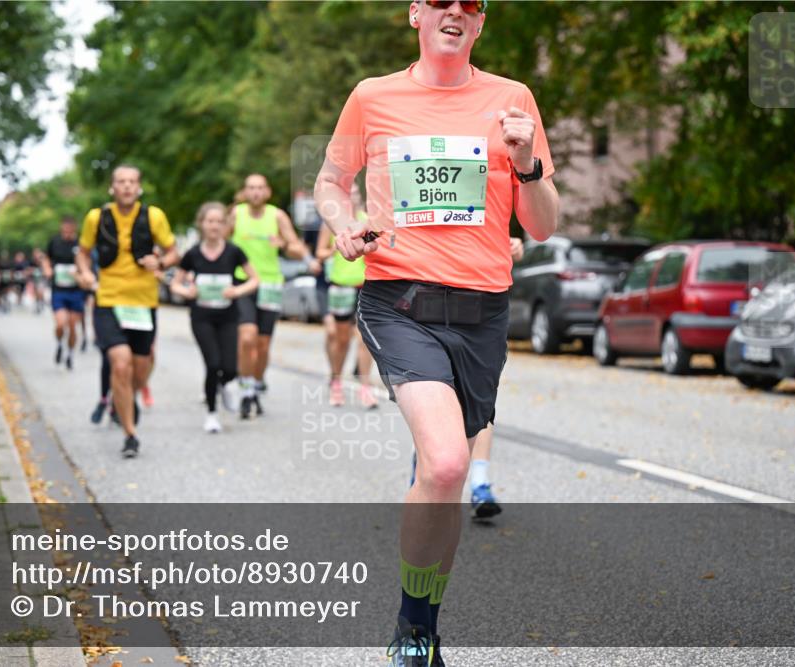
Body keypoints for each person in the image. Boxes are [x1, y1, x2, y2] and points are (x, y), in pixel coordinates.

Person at [315, 2, 559, 664]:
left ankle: (422, 609)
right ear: (416, 14)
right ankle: (414, 629)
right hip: (400, 303)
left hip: (483, 313)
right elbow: (330, 181)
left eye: (471, 3)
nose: (456, 10)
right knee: (450, 461)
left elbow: (542, 225)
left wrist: (528, 162)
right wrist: (343, 223)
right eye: (441, 0)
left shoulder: (512, 99)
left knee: (439, 470)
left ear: (480, 23)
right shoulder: (373, 97)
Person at [410, 236, 525, 519]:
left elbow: (496, 229)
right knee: (434, 394)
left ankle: (479, 482)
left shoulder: (487, 194)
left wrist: (512, 246)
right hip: (428, 301)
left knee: (479, 405)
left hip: (480, 305)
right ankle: (423, 469)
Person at [76, 164, 178, 458]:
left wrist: (160, 263)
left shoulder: (154, 216)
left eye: (132, 182)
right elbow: (82, 254)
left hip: (143, 303)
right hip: (108, 300)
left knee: (141, 366)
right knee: (120, 363)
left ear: (139, 188)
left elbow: (173, 252)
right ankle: (130, 434)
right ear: (112, 188)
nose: (126, 187)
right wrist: (85, 273)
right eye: (121, 182)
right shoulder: (96, 218)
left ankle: (126, 398)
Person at [171, 202, 259, 433]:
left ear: (225, 225)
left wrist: (236, 292)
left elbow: (254, 279)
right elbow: (175, 284)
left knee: (230, 368)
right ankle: (211, 414)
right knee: (213, 364)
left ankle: (225, 384)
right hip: (202, 317)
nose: (214, 226)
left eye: (219, 222)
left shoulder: (233, 251)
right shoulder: (192, 254)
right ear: (201, 224)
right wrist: (187, 292)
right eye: (210, 221)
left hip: (228, 316)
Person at [228, 173, 307, 418]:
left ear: (268, 192)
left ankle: (257, 382)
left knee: (262, 345)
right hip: (243, 282)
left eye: (260, 188)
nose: (255, 192)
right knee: (246, 338)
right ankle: (245, 388)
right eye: (251, 188)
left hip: (271, 284)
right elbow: (218, 241)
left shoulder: (277, 216)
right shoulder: (236, 214)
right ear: (245, 191)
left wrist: (283, 244)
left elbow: (298, 250)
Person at [315, 183, 378, 409]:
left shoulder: (367, 220)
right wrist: (334, 249)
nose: (351, 199)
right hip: (340, 285)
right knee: (341, 339)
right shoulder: (332, 222)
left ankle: (365, 386)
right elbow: (319, 253)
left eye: (354, 194)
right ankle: (336, 382)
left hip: (365, 285)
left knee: (364, 339)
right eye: (346, 195)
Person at [43, 217, 87, 371]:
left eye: (70, 229)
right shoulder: (54, 242)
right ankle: (60, 344)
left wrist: (81, 275)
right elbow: (46, 258)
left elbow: (88, 263)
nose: (67, 232)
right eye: (65, 229)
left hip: (76, 291)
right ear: (61, 228)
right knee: (61, 323)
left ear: (74, 228)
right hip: (59, 289)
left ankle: (70, 354)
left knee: (73, 326)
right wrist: (47, 269)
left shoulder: (81, 244)